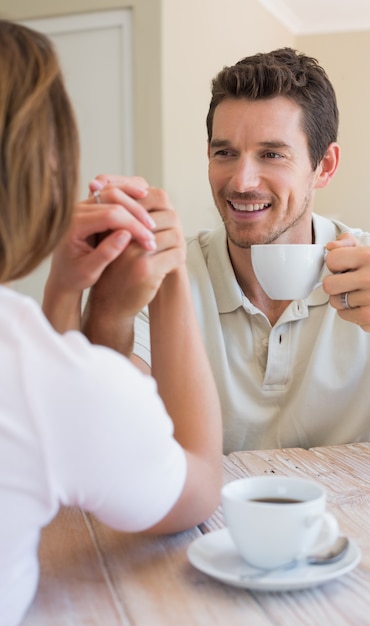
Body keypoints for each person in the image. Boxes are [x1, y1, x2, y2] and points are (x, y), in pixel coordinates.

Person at [82, 48, 370, 454]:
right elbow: (102, 419)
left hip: (355, 515)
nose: (241, 181)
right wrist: (103, 299)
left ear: (324, 165)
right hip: (211, 514)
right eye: (225, 153)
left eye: (271, 154)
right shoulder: (167, 273)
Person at [0, 20, 222, 626]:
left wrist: (66, 285)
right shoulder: (34, 373)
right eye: (224, 151)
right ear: (42, 167)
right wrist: (171, 275)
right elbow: (197, 483)